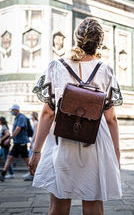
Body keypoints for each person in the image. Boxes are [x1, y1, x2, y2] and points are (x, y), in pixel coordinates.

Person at [29, 17, 123, 215]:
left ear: (76, 38)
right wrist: (116, 152)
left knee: (58, 206)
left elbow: (47, 113)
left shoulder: (56, 66)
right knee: (93, 207)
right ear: (99, 43)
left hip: (63, 141)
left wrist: (36, 150)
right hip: (95, 143)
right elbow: (111, 119)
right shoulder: (105, 71)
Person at [0, 104, 30, 181]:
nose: (12, 112)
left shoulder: (21, 117)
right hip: (17, 143)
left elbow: (18, 128)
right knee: (9, 157)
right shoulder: (16, 118)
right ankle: (3, 174)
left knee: (26, 160)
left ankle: (33, 173)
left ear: (16, 110)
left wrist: (10, 138)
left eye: (12, 110)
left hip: (22, 142)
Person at [23, 111, 38, 181]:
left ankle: (32, 173)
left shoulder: (35, 123)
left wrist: (32, 143)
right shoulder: (35, 123)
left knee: (31, 157)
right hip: (33, 140)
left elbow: (35, 134)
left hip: (34, 141)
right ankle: (31, 173)